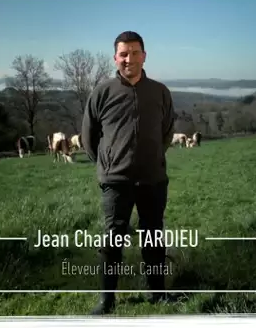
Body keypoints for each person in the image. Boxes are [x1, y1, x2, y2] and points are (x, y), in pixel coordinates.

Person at [81, 31, 177, 315]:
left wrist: (153, 158)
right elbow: (89, 138)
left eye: (135, 53)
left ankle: (157, 294)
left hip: (153, 179)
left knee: (154, 237)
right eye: (124, 54)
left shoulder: (160, 92)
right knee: (112, 240)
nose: (129, 59)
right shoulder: (102, 92)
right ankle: (106, 300)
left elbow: (167, 132)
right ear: (115, 58)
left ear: (144, 56)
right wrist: (108, 163)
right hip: (116, 182)